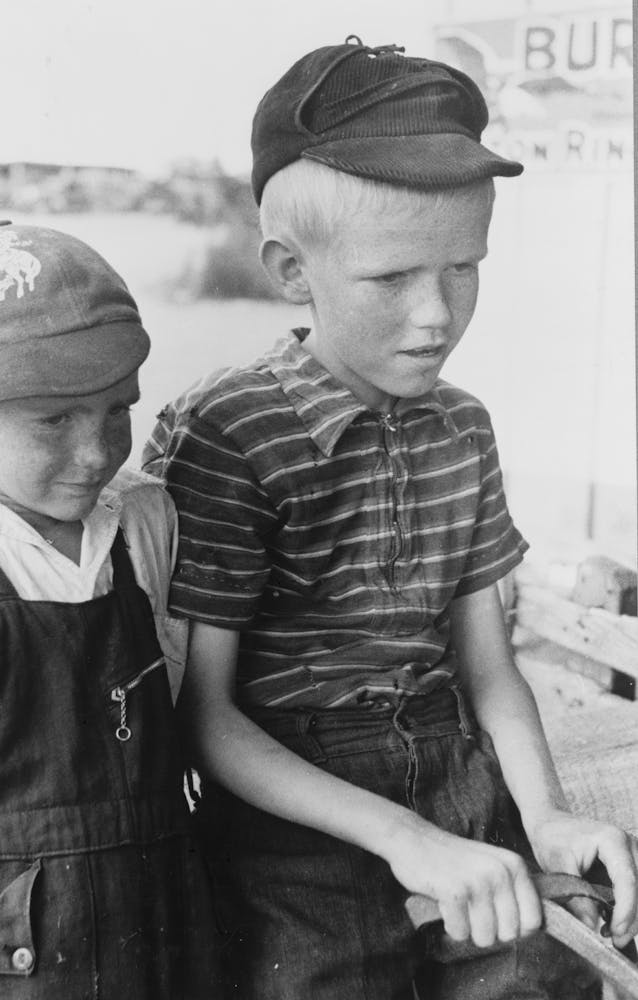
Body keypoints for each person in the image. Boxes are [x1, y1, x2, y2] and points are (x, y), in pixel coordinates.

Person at [142, 37, 638, 1000]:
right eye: (391, 279)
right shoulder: (230, 434)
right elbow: (205, 719)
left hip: (459, 779)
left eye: (464, 269)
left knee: (549, 981)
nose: (436, 316)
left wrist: (547, 819)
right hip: (294, 825)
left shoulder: (463, 428)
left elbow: (490, 671)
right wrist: (408, 842)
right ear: (292, 271)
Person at [0, 222, 216, 999]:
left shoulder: (143, 520)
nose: (96, 450)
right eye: (54, 421)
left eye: (115, 411)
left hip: (153, 910)